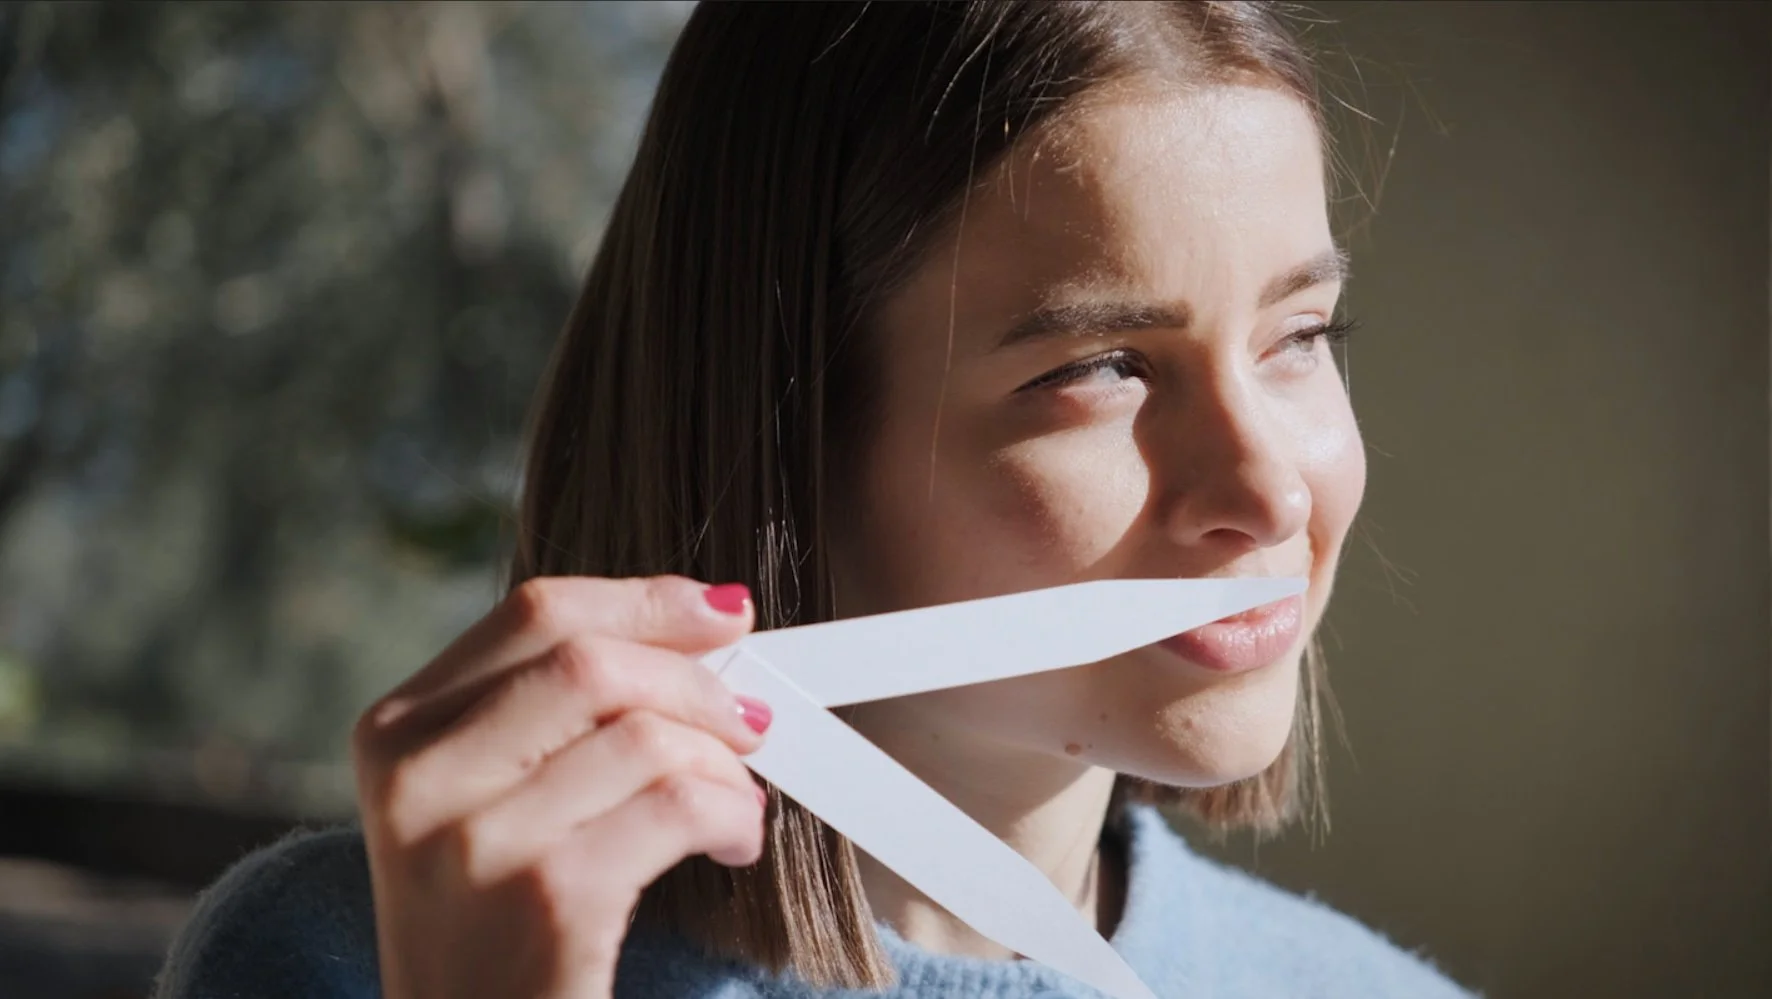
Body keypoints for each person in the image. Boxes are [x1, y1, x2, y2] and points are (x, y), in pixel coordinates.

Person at [156, 2, 1477, 997]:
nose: (1269, 487)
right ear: (782, 433)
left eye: (1300, 336)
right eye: (1102, 368)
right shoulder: (347, 961)